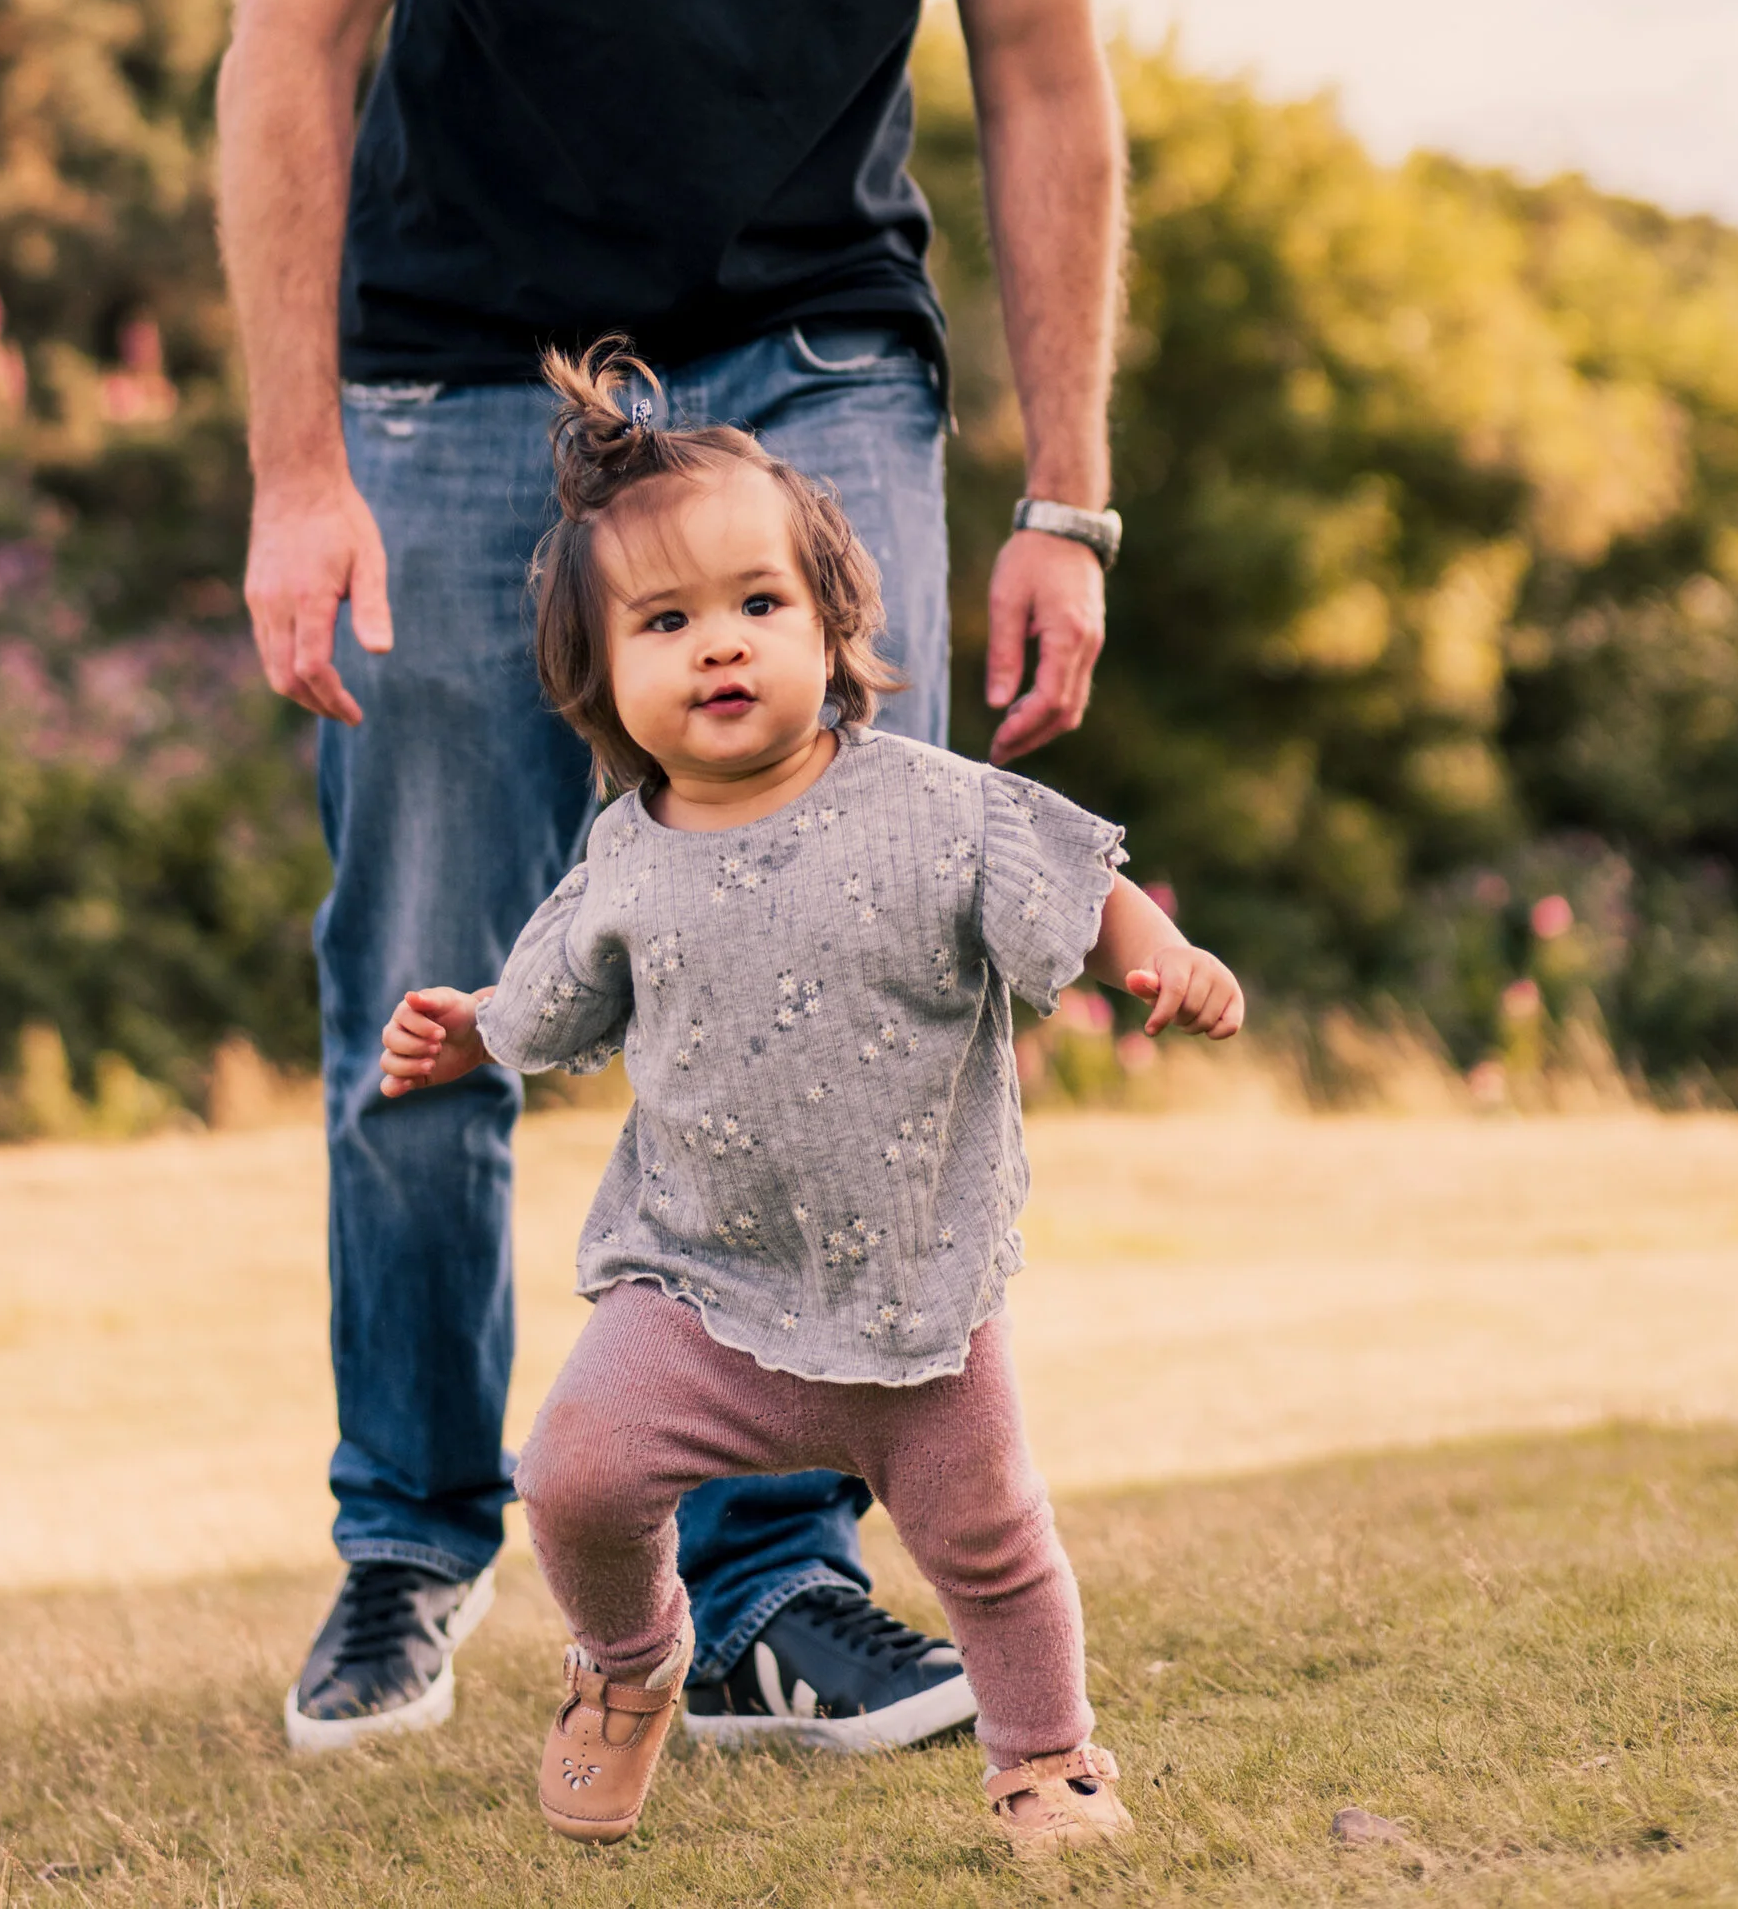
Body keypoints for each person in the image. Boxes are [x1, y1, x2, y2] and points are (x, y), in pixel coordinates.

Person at [218, 0, 1129, 1756]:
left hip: (810, 345)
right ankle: (408, 1543)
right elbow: (295, 32)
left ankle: (768, 1579)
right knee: (429, 977)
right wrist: (299, 464)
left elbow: (1046, 73)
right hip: (463, 362)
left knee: (863, 947)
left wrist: (1063, 488)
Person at [381, 352, 1245, 1854]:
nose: (719, 646)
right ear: (599, 672)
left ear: (831, 618)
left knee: (990, 1543)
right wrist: (473, 1031)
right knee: (574, 1473)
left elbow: (1067, 873)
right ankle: (636, 1657)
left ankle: (1048, 1758)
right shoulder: (625, 857)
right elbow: (551, 1002)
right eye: (667, 621)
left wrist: (1154, 951)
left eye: (757, 605)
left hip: (913, 1294)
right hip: (699, 1287)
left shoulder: (928, 801)